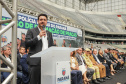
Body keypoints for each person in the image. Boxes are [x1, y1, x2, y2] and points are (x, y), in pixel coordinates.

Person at [25, 14, 53, 84]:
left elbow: (51, 47)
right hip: (35, 62)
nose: (42, 21)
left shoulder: (49, 33)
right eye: (41, 20)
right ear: (37, 21)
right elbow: (27, 43)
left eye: (44, 20)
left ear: (46, 22)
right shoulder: (31, 31)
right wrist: (38, 36)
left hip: (46, 62)